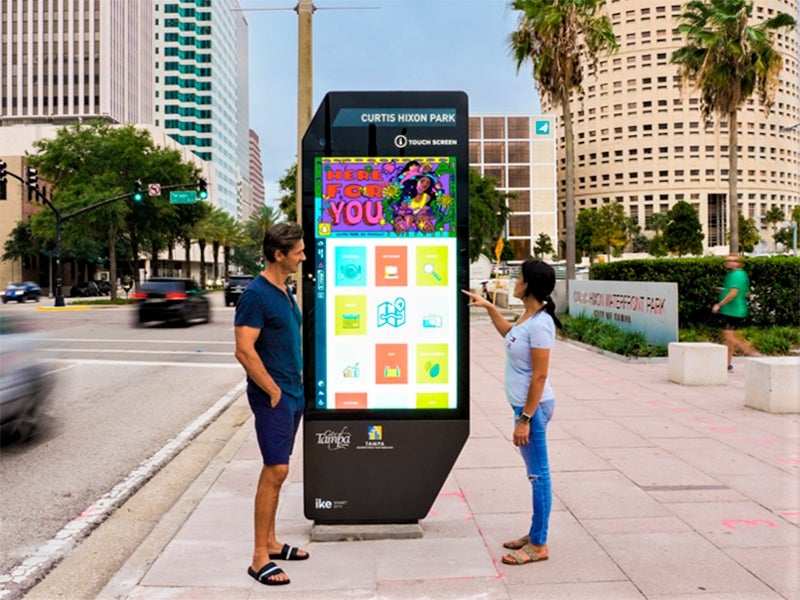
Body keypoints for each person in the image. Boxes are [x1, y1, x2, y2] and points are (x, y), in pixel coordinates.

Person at [462, 258, 562, 566]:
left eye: (518, 278)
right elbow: (509, 334)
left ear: (528, 285)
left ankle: (539, 544)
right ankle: (535, 534)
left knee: (538, 475)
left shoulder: (541, 323)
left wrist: (525, 420)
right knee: (535, 474)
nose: (514, 282)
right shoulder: (528, 317)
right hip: (525, 408)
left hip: (533, 410)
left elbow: (540, 376)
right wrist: (490, 307)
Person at [234, 222, 308, 586]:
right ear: (279, 255)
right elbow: (244, 350)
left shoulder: (284, 289)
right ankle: (259, 557)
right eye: (298, 252)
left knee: (281, 470)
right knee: (275, 470)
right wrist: (273, 390)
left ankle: (272, 542)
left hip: (293, 392)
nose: (303, 257)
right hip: (274, 397)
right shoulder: (255, 295)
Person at [712, 253, 760, 371]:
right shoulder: (740, 274)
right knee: (729, 339)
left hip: (733, 311)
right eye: (728, 260)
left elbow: (733, 293)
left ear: (738, 263)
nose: (729, 262)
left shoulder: (736, 275)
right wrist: (724, 290)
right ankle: (727, 364)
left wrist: (719, 304)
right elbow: (745, 292)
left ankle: (752, 353)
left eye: (733, 260)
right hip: (736, 309)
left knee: (729, 337)